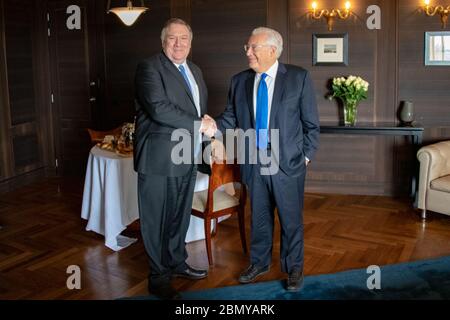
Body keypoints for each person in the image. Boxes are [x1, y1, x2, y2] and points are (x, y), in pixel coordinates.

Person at [202, 27, 320, 291]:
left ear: (272, 50)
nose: (248, 52)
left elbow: (311, 124)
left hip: (288, 163)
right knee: (259, 217)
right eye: (247, 47)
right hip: (253, 161)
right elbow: (230, 118)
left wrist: (305, 159)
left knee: (290, 219)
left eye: (253, 47)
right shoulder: (239, 81)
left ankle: (294, 269)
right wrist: (212, 126)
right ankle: (260, 262)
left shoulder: (298, 78)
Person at [134, 18, 215, 300]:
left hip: (187, 156)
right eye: (172, 38)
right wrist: (200, 124)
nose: (178, 44)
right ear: (163, 41)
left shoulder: (194, 70)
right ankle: (158, 277)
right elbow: (159, 109)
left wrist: (206, 136)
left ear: (191, 43)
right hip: (159, 159)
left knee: (179, 215)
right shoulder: (150, 67)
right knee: (156, 218)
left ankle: (177, 261)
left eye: (184, 38)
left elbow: (198, 110)